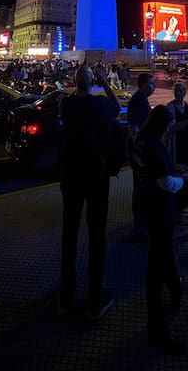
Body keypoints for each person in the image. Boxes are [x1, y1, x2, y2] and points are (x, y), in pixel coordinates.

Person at [58, 64, 120, 320]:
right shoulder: (99, 106)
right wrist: (104, 81)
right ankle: (95, 295)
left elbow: (74, 96)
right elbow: (116, 107)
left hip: (71, 175)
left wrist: (83, 81)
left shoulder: (67, 104)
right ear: (93, 81)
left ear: (75, 82)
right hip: (95, 175)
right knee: (97, 235)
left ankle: (66, 292)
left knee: (69, 233)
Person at [131, 105, 188, 354]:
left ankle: (175, 289)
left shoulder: (140, 140)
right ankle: (157, 329)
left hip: (146, 205)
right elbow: (165, 183)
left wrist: (169, 169)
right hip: (160, 209)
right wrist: (183, 179)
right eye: (167, 126)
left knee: (164, 255)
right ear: (161, 125)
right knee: (157, 266)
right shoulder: (154, 145)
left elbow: (148, 170)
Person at [163, 81, 188, 222]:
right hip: (177, 145)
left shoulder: (187, 105)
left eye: (180, 91)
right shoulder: (170, 107)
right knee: (178, 173)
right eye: (176, 91)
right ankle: (177, 209)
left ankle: (183, 206)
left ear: (184, 93)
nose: (178, 93)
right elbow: (171, 128)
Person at [126, 72, 155, 243]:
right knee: (140, 189)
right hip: (139, 153)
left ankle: (142, 224)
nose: (153, 86)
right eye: (151, 83)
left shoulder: (141, 99)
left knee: (142, 189)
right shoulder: (138, 100)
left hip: (140, 150)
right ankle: (140, 228)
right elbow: (133, 127)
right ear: (143, 85)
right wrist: (139, 149)